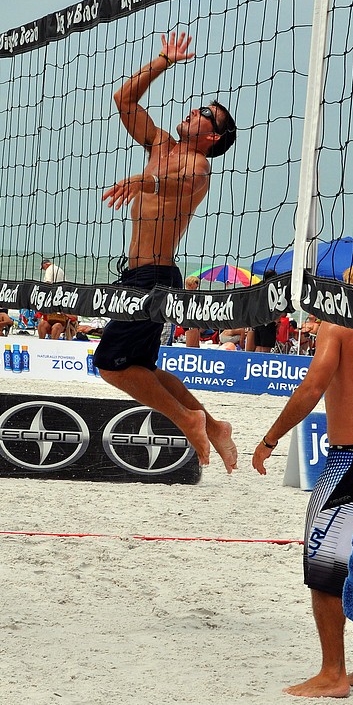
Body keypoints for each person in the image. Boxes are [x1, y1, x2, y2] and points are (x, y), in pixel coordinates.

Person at [93, 30, 238, 471]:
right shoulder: (160, 145)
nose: (193, 112)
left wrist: (145, 181)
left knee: (112, 367)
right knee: (144, 369)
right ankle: (214, 425)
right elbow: (123, 100)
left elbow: (184, 185)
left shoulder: (198, 165)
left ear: (212, 137)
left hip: (153, 276)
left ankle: (187, 418)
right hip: (140, 275)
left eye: (204, 115)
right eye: (197, 108)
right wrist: (163, 61)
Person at [252, 253, 353, 698]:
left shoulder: (339, 324)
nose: (352, 268)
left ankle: (333, 674)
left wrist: (271, 438)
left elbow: (312, 388)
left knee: (325, 565)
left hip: (347, 459)